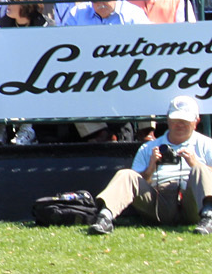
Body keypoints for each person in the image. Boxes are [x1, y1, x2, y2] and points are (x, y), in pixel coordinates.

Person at [90, 96, 212, 235]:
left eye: (185, 121)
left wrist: (195, 163)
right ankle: (104, 218)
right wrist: (151, 167)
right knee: (126, 174)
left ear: (196, 121)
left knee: (200, 168)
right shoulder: (149, 147)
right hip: (159, 201)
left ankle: (208, 218)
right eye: (175, 120)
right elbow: (136, 183)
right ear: (167, 120)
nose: (180, 125)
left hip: (193, 202)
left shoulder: (207, 145)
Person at [61, 0, 147, 26]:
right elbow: (65, 38)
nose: (101, 4)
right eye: (96, 0)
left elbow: (149, 38)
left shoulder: (133, 13)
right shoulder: (77, 13)